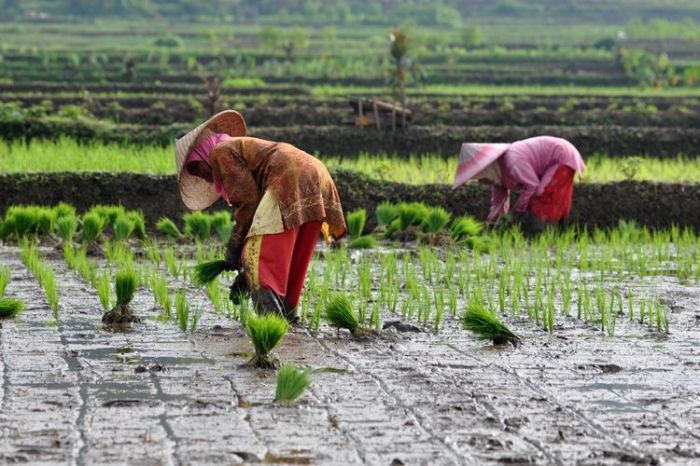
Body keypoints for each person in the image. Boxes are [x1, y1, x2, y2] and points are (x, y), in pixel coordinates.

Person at [175, 110, 346, 321]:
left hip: (291, 179)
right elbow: (258, 213)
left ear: (202, 154)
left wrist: (235, 246)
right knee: (292, 264)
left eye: (196, 168)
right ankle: (288, 319)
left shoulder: (220, 152)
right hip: (317, 176)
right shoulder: (239, 148)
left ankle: (271, 325)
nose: (201, 175)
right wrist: (244, 274)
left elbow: (248, 202)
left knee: (258, 261)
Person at [453, 136, 585, 232]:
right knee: (534, 199)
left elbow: (532, 185)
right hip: (553, 159)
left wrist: (518, 209)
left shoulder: (513, 161)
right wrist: (490, 227)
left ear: (487, 170)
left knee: (541, 195)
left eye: (479, 177)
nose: (480, 182)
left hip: (561, 156)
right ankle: (546, 237)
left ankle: (546, 238)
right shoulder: (498, 176)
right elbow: (498, 205)